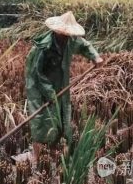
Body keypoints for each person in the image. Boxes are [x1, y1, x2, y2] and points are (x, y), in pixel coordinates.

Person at [25, 11, 102, 161]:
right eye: (63, 33)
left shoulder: (71, 40)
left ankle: (54, 151)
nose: (65, 36)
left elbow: (86, 46)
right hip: (39, 86)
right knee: (41, 119)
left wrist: (95, 56)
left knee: (61, 114)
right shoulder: (43, 47)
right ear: (56, 31)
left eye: (68, 34)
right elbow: (37, 74)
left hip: (61, 83)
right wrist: (49, 92)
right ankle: (37, 154)